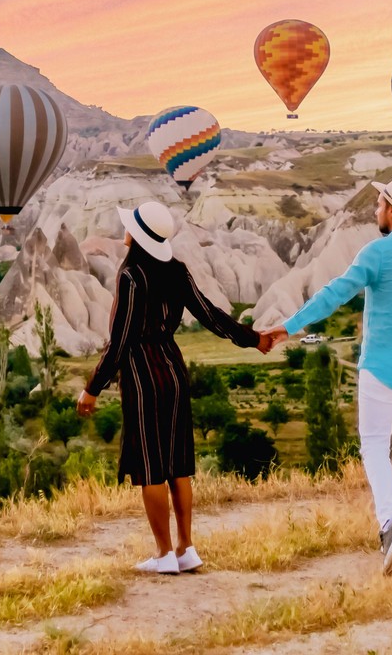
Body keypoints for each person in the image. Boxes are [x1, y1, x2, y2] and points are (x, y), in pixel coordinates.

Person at [259, 174, 392, 574]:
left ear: (391, 211)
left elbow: (335, 292)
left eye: (379, 204)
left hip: (381, 369)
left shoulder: (377, 252)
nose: (374, 210)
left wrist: (289, 327)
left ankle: (390, 522)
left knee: (373, 446)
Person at [78, 200, 261, 575]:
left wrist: (93, 387)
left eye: (129, 227)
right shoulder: (176, 269)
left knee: (151, 468)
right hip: (175, 373)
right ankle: (186, 548)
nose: (124, 231)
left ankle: (163, 555)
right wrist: (252, 338)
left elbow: (120, 339)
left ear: (138, 237)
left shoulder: (131, 275)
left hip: (144, 378)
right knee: (178, 465)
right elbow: (209, 314)